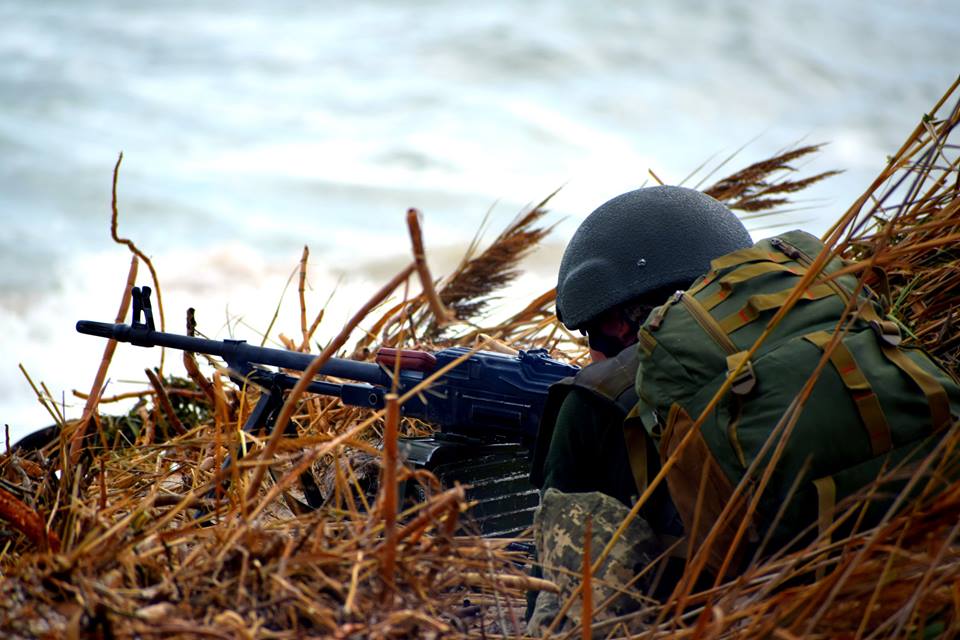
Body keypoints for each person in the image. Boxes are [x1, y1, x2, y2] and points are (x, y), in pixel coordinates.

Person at [526, 185, 753, 632]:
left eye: (592, 334)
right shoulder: (809, 340)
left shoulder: (599, 395)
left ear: (618, 322)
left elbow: (555, 602)